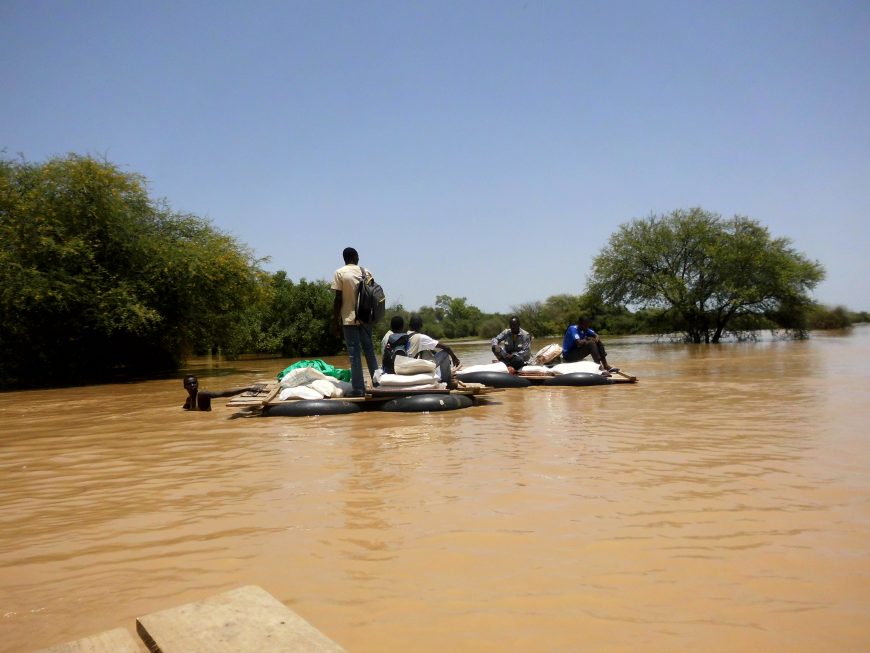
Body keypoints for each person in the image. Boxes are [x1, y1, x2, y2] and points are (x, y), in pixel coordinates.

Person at [331, 247, 379, 396]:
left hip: (349, 319)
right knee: (369, 351)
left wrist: (334, 320)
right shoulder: (367, 272)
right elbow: (374, 295)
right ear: (356, 257)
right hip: (366, 319)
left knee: (354, 353)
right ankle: (378, 383)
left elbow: (338, 299)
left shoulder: (340, 273)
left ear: (344, 258)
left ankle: (358, 389)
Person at [182, 375, 264, 411]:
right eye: (189, 384)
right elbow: (184, 409)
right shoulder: (189, 400)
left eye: (194, 383)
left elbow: (223, 393)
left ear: (198, 384)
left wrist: (248, 388)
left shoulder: (202, 394)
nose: (193, 385)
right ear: (185, 387)